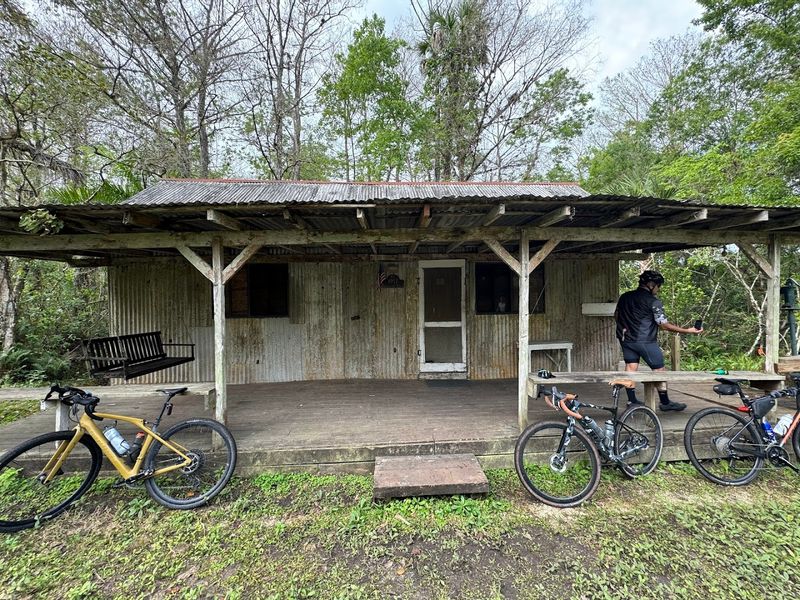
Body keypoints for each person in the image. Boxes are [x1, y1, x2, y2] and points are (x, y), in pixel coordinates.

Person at [615, 270, 703, 411]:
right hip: (645, 341)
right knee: (659, 370)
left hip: (626, 339)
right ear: (651, 285)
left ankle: (632, 401)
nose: (658, 289)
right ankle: (665, 402)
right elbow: (663, 324)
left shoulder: (625, 297)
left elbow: (617, 315)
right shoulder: (654, 302)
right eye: (658, 286)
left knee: (631, 368)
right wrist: (688, 330)